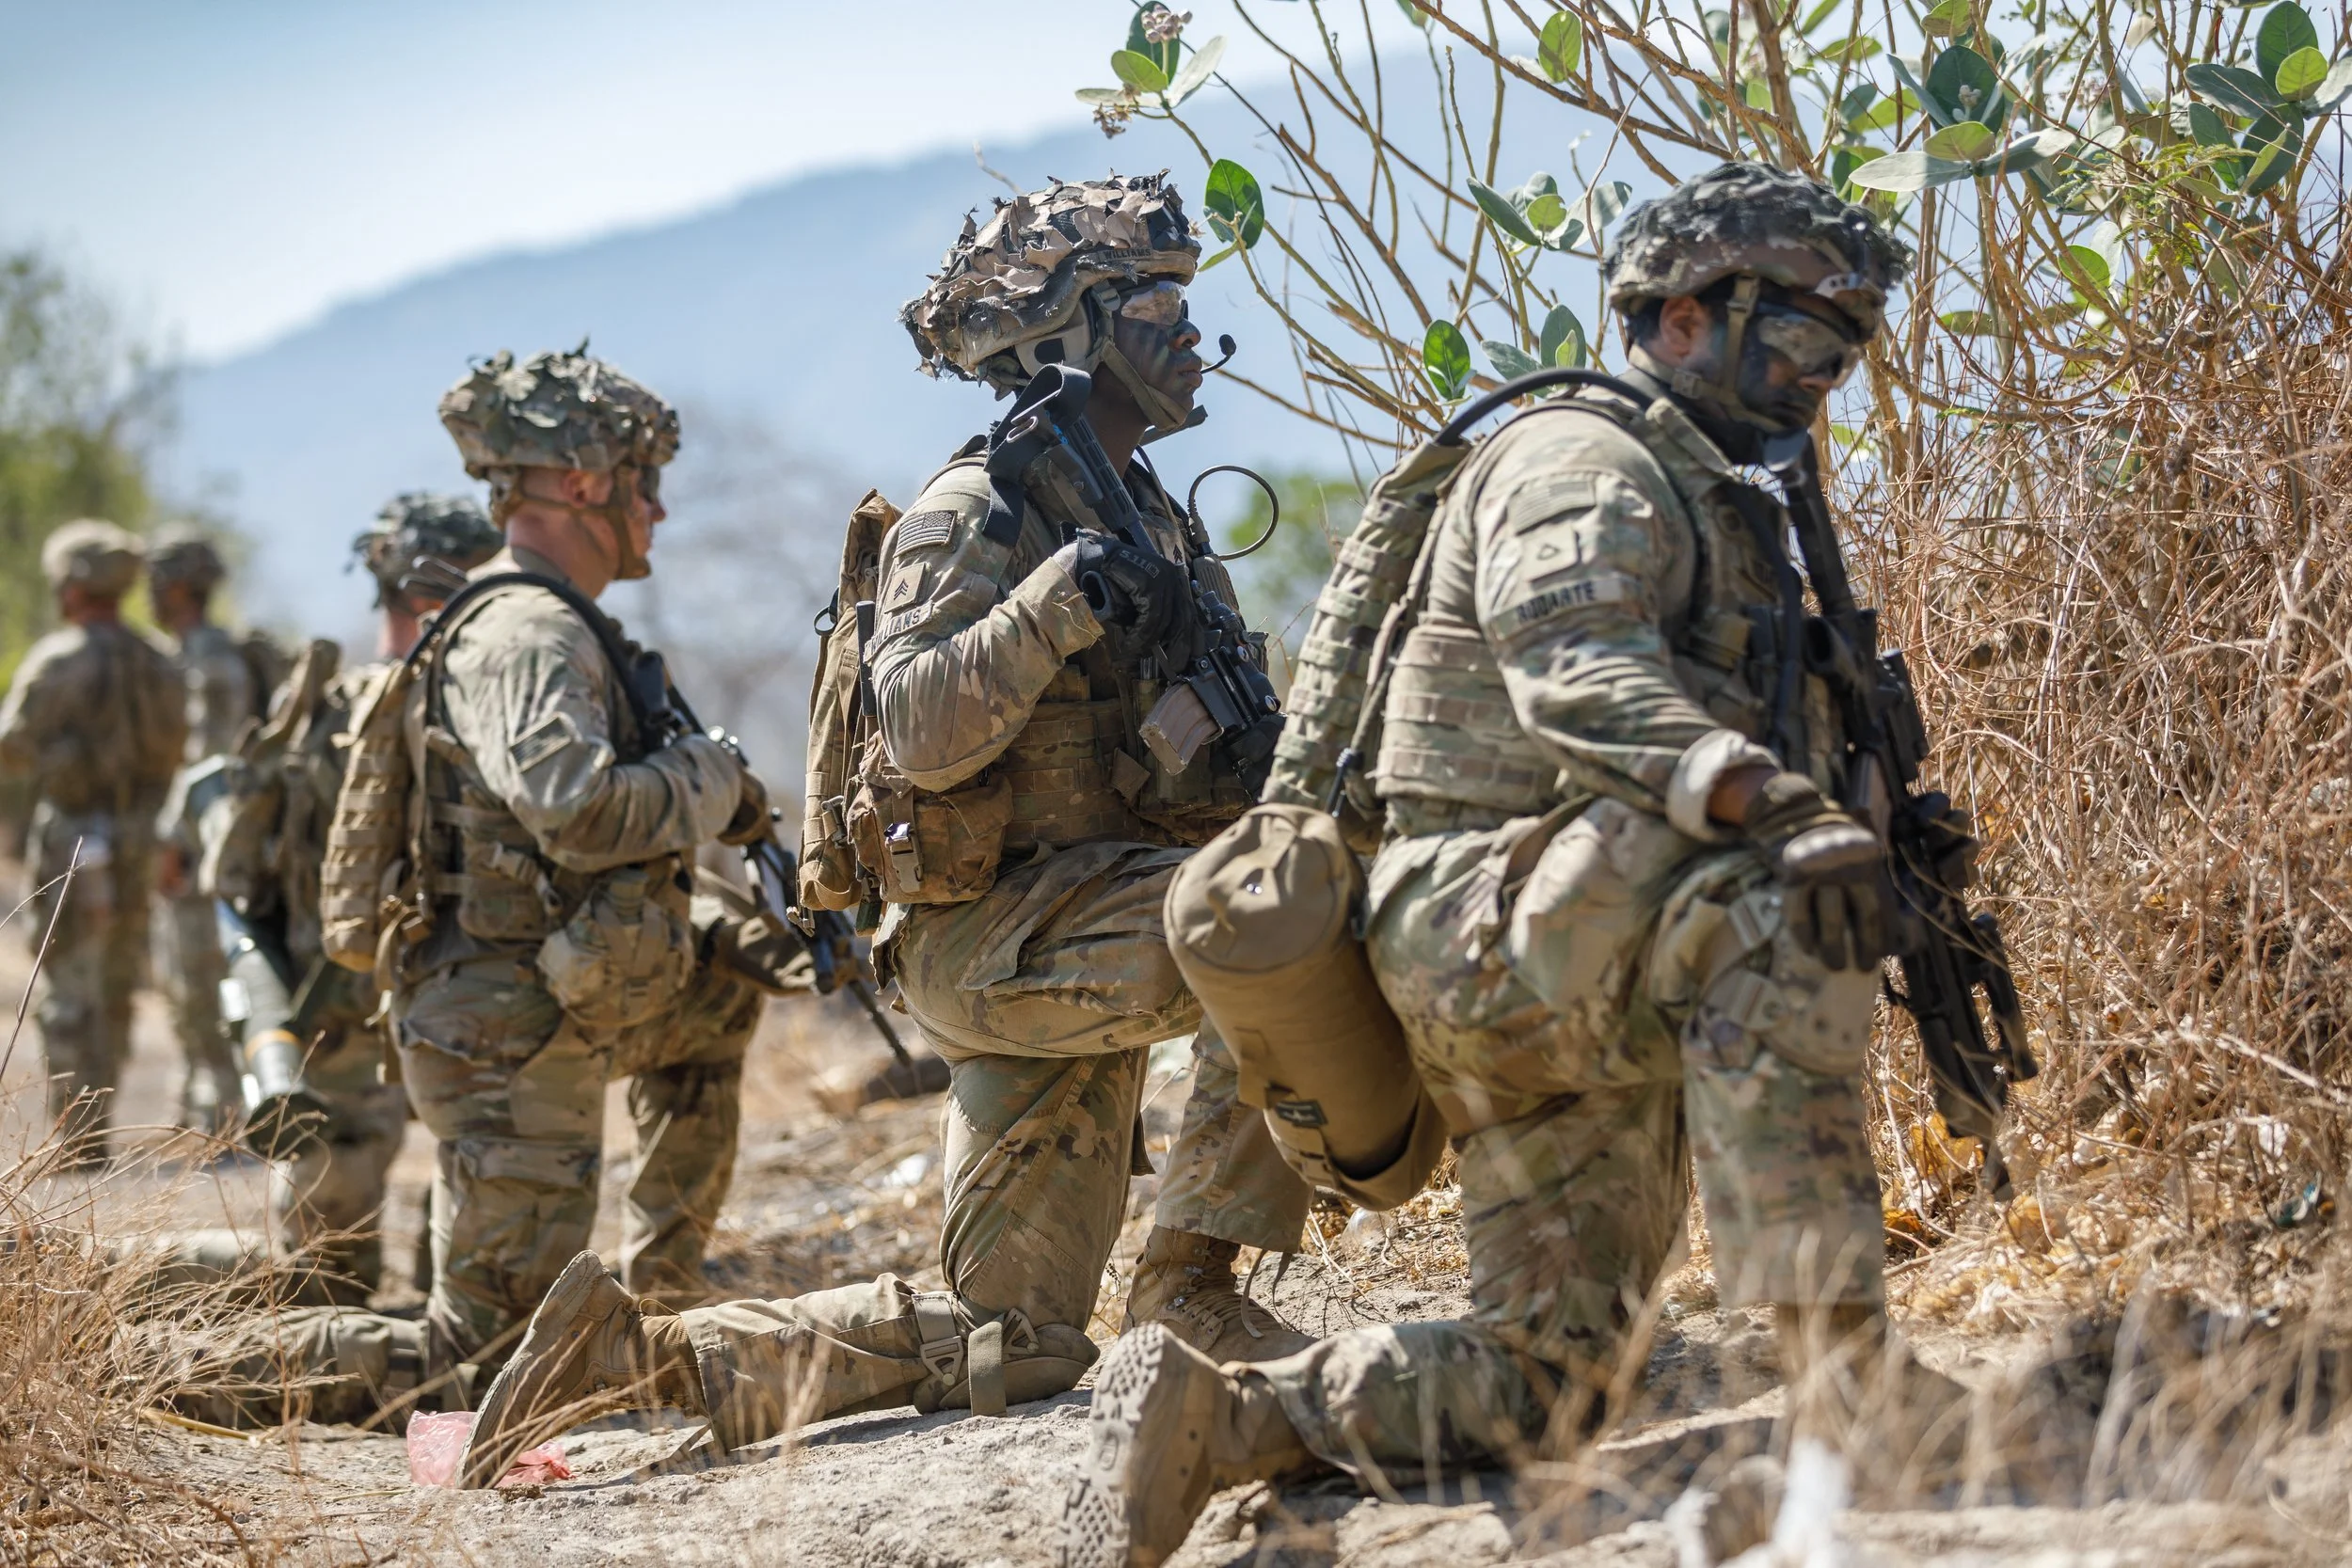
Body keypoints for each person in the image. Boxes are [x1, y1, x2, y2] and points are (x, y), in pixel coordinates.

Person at [1059, 163, 1935, 1566]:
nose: (1827, 371)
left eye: (1850, 342)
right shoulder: (1585, 461)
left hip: (1574, 930)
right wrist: (1777, 803)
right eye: (1805, 332)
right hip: (1497, 915)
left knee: (1550, 1373)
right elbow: (1574, 670)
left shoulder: (1721, 485)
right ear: (1683, 318)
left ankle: (1229, 1420)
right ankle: (1850, 1387)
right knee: (1775, 897)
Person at [451, 173, 1313, 1489]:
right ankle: (1190, 1278)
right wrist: (1048, 610)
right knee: (1278, 912)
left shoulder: (1148, 510)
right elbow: (914, 726)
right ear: (1076, 331)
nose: (1191, 334)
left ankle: (631, 1358)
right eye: (1157, 302)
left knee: (1011, 1344)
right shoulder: (978, 508)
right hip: (1002, 938)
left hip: (1098, 921)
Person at [389, 346, 778, 1381]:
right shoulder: (525, 630)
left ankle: (657, 1303)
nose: (657, 511)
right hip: (501, 1028)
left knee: (722, 993)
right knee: (474, 1362)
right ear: (582, 484)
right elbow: (576, 808)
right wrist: (712, 778)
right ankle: (163, 1362)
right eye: (644, 482)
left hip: (548, 993)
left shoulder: (553, 619)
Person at [186, 494, 502, 1301]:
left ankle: (337, 1376)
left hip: (340, 1006)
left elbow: (249, 875)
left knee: (333, 1233)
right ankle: (448, 1370)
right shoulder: (481, 707)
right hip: (454, 998)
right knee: (480, 1192)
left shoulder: (326, 710)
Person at [0, 521, 186, 1161]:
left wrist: (58, 756)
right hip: (144, 836)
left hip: (76, 840)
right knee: (116, 984)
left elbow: (10, 747)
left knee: (70, 985)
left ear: (73, 586)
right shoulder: (161, 659)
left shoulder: (60, 657)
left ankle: (75, 1138)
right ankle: (95, 1124)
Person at [147, 526, 269, 1132]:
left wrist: (174, 839)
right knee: (184, 981)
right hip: (206, 844)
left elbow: (208, 761)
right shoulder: (192, 654)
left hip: (207, 849)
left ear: (174, 588)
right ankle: (206, 1113)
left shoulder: (211, 659)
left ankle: (228, 1120)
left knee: (204, 981)